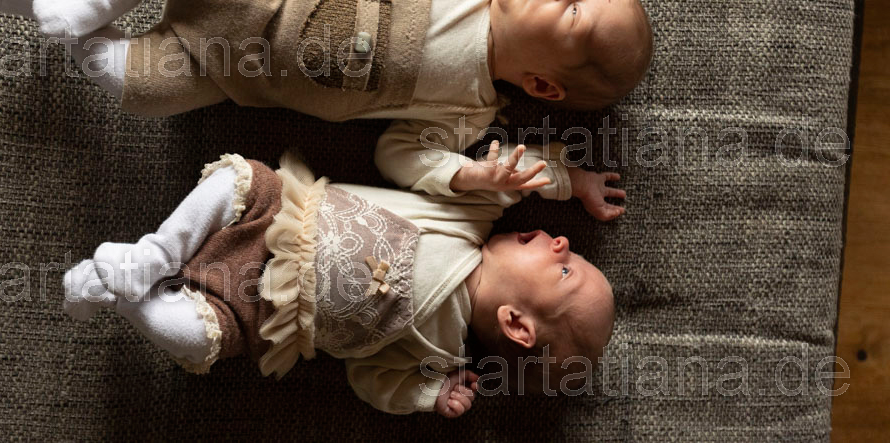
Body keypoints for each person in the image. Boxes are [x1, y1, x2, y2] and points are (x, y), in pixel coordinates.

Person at [0, 0, 651, 214]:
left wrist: (466, 176)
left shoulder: (468, 113)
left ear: (542, 85)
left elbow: (399, 157)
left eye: (572, 10)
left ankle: (62, 16)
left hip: (227, 69)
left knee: (139, 88)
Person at [62, 143, 619, 416]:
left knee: (198, 337)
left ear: (517, 325)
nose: (560, 241)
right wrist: (567, 180)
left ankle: (122, 297)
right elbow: (410, 157)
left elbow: (369, 380)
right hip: (276, 215)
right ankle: (154, 256)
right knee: (236, 179)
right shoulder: (475, 213)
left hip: (262, 313)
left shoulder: (441, 356)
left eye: (564, 268)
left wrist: (428, 396)